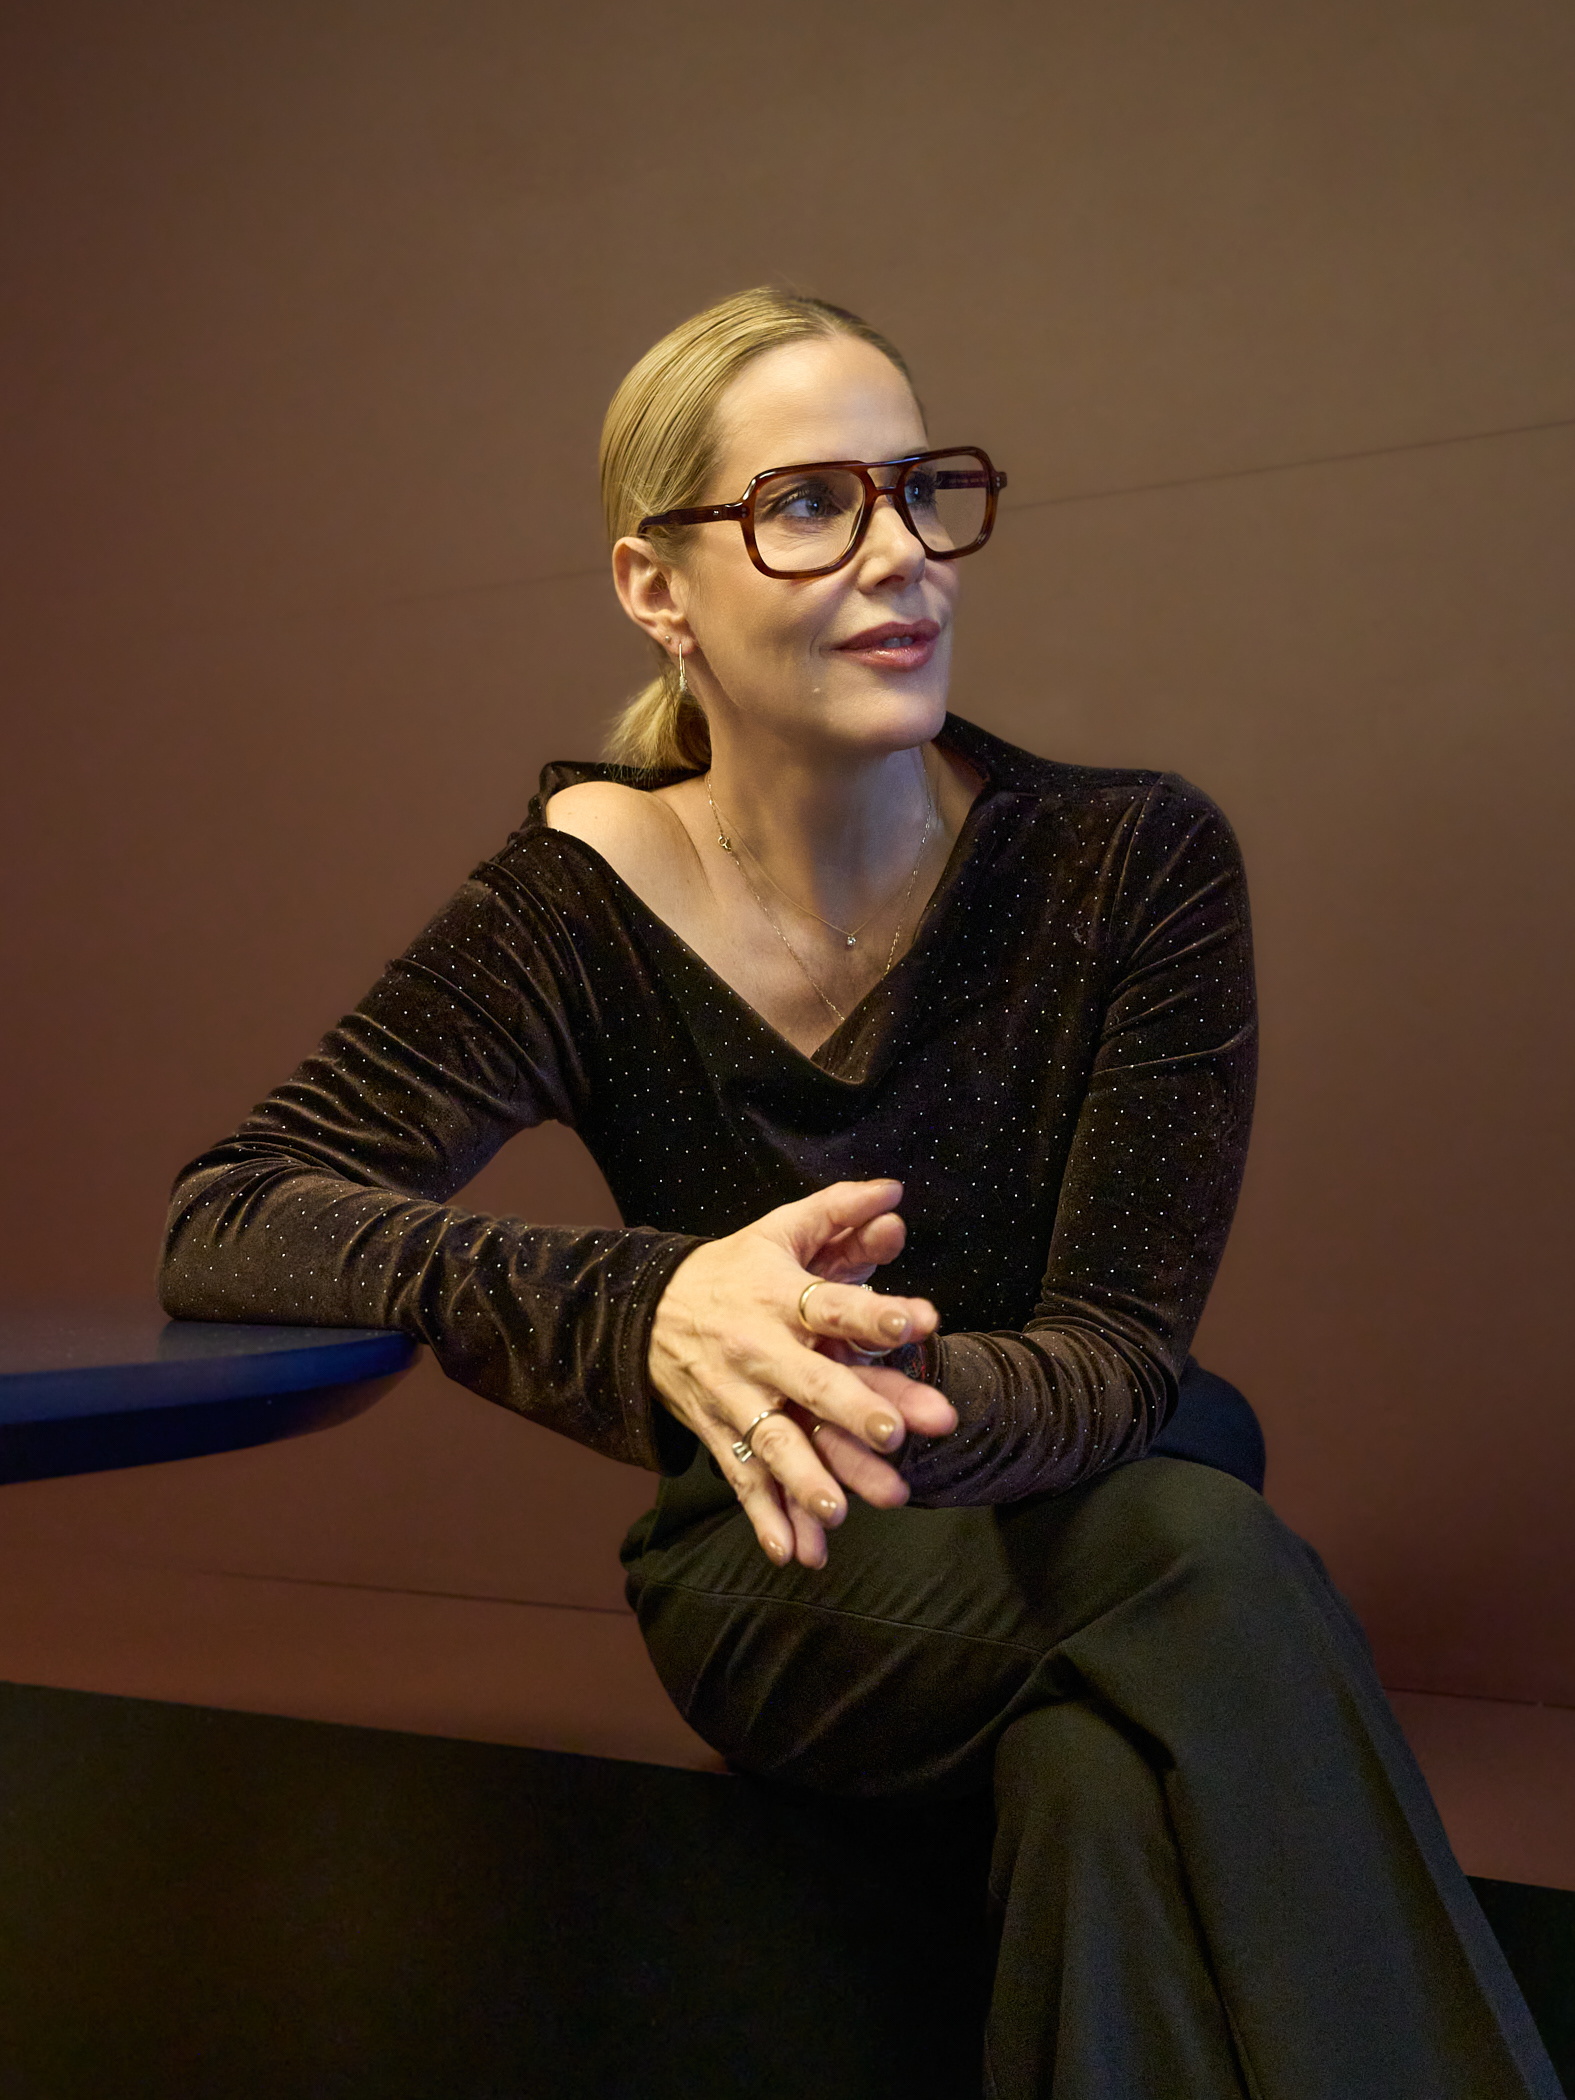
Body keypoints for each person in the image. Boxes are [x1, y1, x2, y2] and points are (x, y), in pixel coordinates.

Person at [160, 288, 1562, 2099]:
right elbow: (232, 1215)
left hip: (1094, 1494)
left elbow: (1114, 1358)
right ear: (657, 587)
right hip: (794, 1574)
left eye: (918, 490)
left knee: (1097, 1764)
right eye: (810, 504)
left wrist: (840, 1379)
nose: (902, 552)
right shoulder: (575, 904)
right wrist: (651, 1305)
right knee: (1201, 1557)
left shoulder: (1127, 862)